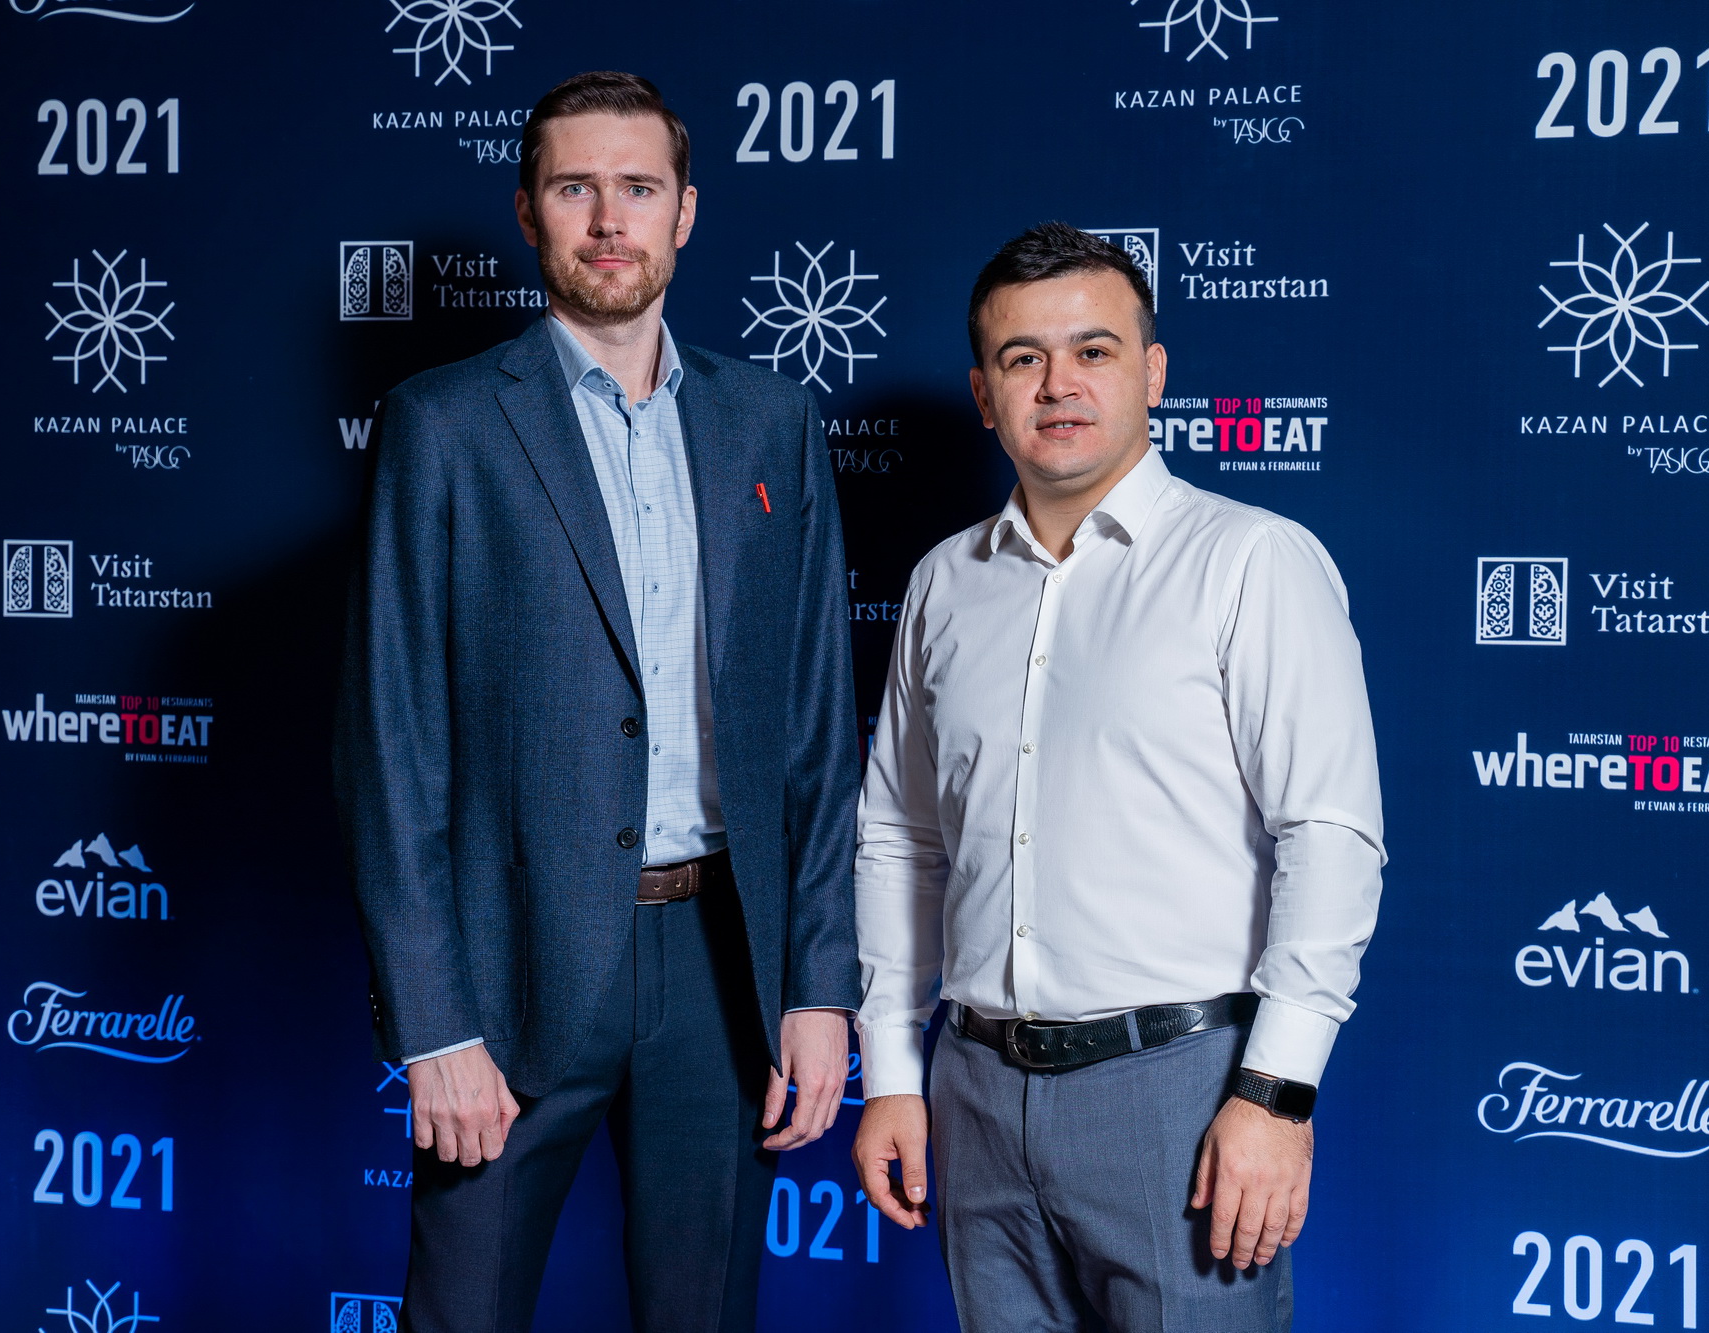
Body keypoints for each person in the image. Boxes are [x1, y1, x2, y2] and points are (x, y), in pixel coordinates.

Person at [334, 71, 860, 1333]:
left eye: (638, 187)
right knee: (463, 1311)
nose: (609, 219)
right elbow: (390, 744)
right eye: (576, 189)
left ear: (686, 211)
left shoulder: (771, 422)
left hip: (721, 968)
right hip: (510, 971)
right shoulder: (442, 423)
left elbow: (812, 727)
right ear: (529, 213)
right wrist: (433, 1026)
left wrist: (817, 986)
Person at [849, 222, 1384, 1332]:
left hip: (1182, 1089)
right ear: (983, 393)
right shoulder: (944, 583)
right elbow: (900, 838)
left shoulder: (1251, 561)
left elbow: (1328, 836)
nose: (1059, 384)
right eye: (1023, 358)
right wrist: (893, 1070)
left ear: (1152, 372)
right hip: (973, 1090)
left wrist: (1275, 1092)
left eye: (1093, 351)